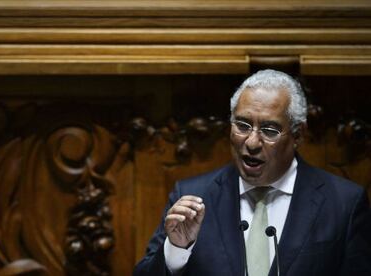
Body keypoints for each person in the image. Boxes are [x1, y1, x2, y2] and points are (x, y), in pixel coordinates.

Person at [133, 69, 371, 276]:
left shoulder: (344, 204)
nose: (252, 142)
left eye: (269, 130)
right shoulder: (192, 196)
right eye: (243, 125)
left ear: (298, 134)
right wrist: (176, 250)